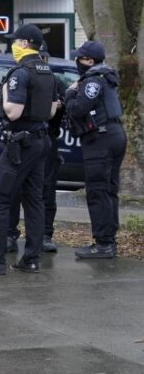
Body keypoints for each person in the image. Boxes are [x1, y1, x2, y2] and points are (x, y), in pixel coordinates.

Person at [0, 24, 58, 275]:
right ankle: (30, 259)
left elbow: (13, 111)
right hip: (40, 140)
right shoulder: (46, 71)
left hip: (21, 143)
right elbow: (51, 111)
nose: (13, 45)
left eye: (15, 41)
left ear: (25, 43)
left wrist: (6, 93)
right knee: (34, 200)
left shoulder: (20, 73)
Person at [65, 40, 127, 259]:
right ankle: (109, 239)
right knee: (109, 190)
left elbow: (77, 108)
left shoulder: (92, 81)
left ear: (89, 60)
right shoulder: (106, 77)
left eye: (80, 58)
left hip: (100, 139)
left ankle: (103, 244)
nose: (77, 61)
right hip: (114, 134)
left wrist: (71, 92)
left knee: (98, 191)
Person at [6, 48, 64, 254]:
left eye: (45, 57)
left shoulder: (53, 80)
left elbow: (60, 111)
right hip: (22, 138)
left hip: (45, 138)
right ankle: (9, 235)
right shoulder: (19, 74)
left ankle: (44, 236)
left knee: (44, 191)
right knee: (12, 190)